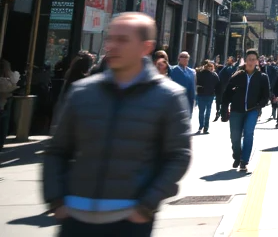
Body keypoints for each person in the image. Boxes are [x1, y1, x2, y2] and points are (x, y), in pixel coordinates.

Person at [43, 12, 191, 235]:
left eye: (123, 40)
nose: (112, 46)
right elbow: (56, 150)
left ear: (146, 47)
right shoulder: (82, 92)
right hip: (75, 217)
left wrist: (147, 204)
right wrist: (56, 200)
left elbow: (178, 156)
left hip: (130, 220)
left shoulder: (168, 96)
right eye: (110, 38)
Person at [222, 49, 271, 173]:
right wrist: (224, 108)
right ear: (245, 61)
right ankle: (237, 155)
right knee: (235, 136)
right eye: (249, 59)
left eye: (254, 59)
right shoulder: (237, 75)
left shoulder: (262, 77)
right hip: (236, 110)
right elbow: (227, 93)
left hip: (252, 110)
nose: (251, 62)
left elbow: (266, 95)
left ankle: (244, 161)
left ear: (257, 62)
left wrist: (259, 105)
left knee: (248, 134)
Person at [195, 61, 221, 134]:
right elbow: (218, 84)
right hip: (210, 95)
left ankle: (201, 126)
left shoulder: (199, 74)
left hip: (201, 94)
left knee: (201, 111)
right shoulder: (214, 75)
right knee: (208, 111)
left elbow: (196, 82)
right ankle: (206, 127)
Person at [166, 51, 195, 116]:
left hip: (187, 102)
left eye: (186, 57)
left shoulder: (191, 72)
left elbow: (192, 90)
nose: (184, 59)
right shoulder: (173, 69)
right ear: (178, 58)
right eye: (182, 57)